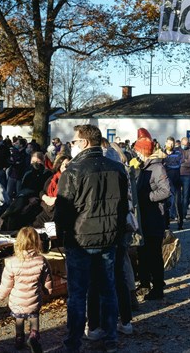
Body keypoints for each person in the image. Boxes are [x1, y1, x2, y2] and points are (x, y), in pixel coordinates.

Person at [53, 124, 128, 353]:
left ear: (84, 142)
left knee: (78, 294)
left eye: (74, 142)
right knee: (108, 289)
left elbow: (62, 210)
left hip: (80, 240)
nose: (72, 146)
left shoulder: (73, 171)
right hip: (108, 238)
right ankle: (111, 338)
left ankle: (73, 343)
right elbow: (123, 206)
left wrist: (61, 236)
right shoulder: (117, 168)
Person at [0, 226, 53, 352]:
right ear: (37, 242)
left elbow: (6, 284)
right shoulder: (41, 260)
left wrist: (0, 296)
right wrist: (48, 290)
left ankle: (19, 338)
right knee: (34, 316)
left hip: (18, 300)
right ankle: (33, 336)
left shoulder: (11, 262)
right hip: (34, 298)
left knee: (19, 319)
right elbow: (47, 279)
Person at [133, 128, 170, 300]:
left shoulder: (158, 168)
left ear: (143, 152)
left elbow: (165, 191)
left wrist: (146, 197)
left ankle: (158, 287)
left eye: (137, 151)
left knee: (154, 253)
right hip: (143, 217)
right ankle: (145, 282)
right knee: (143, 252)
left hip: (154, 217)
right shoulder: (142, 167)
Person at [32, 154, 71, 228]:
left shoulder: (70, 180)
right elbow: (42, 191)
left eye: (67, 164)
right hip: (46, 209)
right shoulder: (52, 177)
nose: (64, 166)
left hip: (58, 211)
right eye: (62, 164)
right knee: (35, 224)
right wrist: (46, 198)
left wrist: (55, 199)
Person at [179, 137, 190, 228]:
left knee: (186, 196)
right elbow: (176, 161)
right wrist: (183, 161)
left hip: (187, 175)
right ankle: (176, 214)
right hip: (178, 174)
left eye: (186, 144)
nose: (184, 146)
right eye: (183, 144)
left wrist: (181, 162)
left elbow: (189, 163)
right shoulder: (178, 150)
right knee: (177, 196)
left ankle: (184, 214)